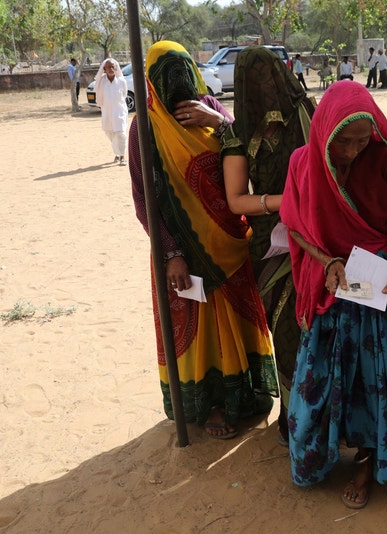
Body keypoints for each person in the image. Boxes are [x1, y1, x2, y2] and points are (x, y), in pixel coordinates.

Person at [280, 81, 387, 532]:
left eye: (362, 139)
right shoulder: (302, 165)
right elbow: (294, 225)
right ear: (324, 133)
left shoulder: (379, 157)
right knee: (328, 384)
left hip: (380, 285)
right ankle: (362, 464)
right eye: (342, 141)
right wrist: (326, 260)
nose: (351, 150)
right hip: (336, 288)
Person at [128, 40, 277, 439]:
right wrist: (172, 253)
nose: (176, 83)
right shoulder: (144, 123)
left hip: (229, 241)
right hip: (179, 250)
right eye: (165, 74)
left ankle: (242, 398)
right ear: (151, 81)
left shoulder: (211, 107)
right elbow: (144, 199)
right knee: (198, 330)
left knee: (237, 324)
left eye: (182, 70)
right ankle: (210, 405)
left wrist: (215, 117)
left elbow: (243, 146)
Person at [221, 46, 315, 447]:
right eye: (253, 79)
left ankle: (323, 414)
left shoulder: (307, 114)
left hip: (313, 232)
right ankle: (293, 420)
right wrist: (283, 201)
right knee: (286, 328)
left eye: (268, 75)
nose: (263, 87)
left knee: (317, 324)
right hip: (270, 243)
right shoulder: (238, 132)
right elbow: (235, 199)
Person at [93, 58, 128, 165]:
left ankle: (122, 156)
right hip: (107, 112)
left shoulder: (122, 81)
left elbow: (124, 95)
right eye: (109, 67)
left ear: (116, 68)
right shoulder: (101, 82)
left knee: (121, 133)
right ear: (104, 69)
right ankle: (117, 153)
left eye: (113, 66)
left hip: (120, 112)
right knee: (110, 133)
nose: (111, 69)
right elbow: (98, 96)